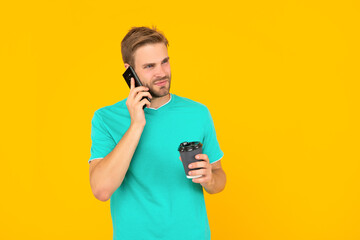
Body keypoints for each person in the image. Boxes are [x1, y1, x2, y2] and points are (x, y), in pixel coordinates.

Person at [88, 26, 226, 240]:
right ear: (129, 70)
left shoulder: (198, 113)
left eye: (165, 61)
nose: (161, 73)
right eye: (149, 66)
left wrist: (210, 179)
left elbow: (219, 178)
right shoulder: (106, 118)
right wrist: (136, 125)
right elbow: (101, 190)